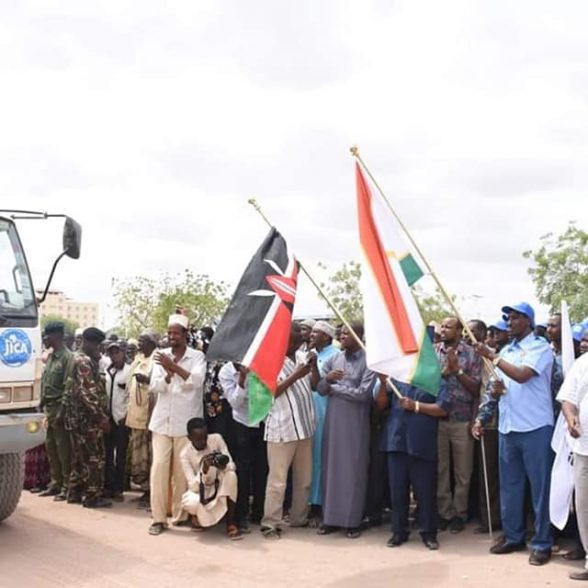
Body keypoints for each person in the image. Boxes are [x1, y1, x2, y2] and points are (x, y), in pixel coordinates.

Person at [475, 302, 554, 566]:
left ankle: (542, 542)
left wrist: (493, 357)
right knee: (510, 487)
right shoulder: (507, 350)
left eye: (516, 318)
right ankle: (513, 536)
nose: (509, 323)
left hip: (535, 428)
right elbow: (501, 385)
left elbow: (522, 376)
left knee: (540, 490)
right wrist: (494, 394)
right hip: (508, 427)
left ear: (529, 321)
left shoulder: (539, 348)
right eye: (507, 319)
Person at [312, 323, 376, 539]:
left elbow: (363, 393)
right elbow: (319, 388)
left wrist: (333, 387)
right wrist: (327, 380)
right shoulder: (335, 358)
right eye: (341, 333)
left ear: (359, 336)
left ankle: (352, 521)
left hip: (355, 421)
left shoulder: (369, 359)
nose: (342, 336)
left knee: (353, 468)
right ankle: (330, 519)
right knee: (331, 466)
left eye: (347, 333)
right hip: (333, 419)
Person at [148, 314, 207, 536]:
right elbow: (153, 387)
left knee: (182, 472)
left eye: (175, 333)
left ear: (185, 335)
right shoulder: (160, 356)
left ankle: (181, 515)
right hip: (162, 422)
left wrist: (173, 367)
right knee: (159, 469)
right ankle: (158, 518)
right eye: (169, 333)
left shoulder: (197, 356)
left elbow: (197, 381)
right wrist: (167, 376)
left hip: (186, 424)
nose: (171, 336)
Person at [377, 376, 451, 550]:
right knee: (397, 490)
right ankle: (399, 531)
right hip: (397, 440)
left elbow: (443, 408)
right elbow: (381, 405)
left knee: (425, 491)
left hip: (422, 441)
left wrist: (417, 406)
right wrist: (381, 384)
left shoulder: (434, 378)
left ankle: (429, 533)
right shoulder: (396, 378)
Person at [261, 322, 316, 539]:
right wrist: (296, 375)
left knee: (304, 479)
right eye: (291, 339)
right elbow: (270, 393)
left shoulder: (301, 357)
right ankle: (270, 523)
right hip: (281, 429)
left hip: (304, 427)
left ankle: (298, 518)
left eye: (298, 340)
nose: (294, 344)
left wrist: (315, 367)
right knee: (277, 481)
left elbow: (313, 384)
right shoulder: (269, 360)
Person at [434, 317, 482, 533]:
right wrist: (444, 372)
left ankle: (459, 514)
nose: (443, 330)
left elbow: (475, 389)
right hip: (437, 420)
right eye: (442, 327)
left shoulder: (471, 354)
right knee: (440, 470)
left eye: (448, 327)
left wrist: (457, 371)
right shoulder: (432, 352)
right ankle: (444, 513)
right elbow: (425, 384)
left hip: (462, 420)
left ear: (460, 331)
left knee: (463, 472)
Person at [63, 327, 112, 508]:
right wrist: (101, 418)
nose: (100, 350)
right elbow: (88, 393)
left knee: (78, 456)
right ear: (90, 343)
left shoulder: (75, 358)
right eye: (98, 346)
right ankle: (92, 496)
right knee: (94, 457)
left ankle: (74, 492)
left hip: (76, 418)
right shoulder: (83, 361)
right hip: (87, 419)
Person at [219, 361, 268, 532]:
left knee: (262, 469)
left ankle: (259, 513)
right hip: (241, 423)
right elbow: (235, 402)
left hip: (262, 419)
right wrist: (242, 378)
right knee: (242, 470)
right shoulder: (225, 371)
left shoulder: (259, 362)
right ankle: (241, 515)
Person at [472, 319, 508, 534]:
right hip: (490, 423)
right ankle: (490, 522)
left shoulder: (506, 358)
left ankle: (512, 522)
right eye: (492, 333)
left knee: (509, 478)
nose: (494, 337)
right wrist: (480, 419)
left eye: (498, 332)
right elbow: (485, 392)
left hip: (511, 423)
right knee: (489, 477)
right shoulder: (484, 359)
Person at [180, 418, 241, 540]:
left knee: (231, 476)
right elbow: (193, 486)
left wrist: (222, 465)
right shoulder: (185, 454)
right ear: (189, 438)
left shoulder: (216, 439)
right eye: (198, 439)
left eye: (205, 437)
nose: (203, 442)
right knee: (191, 502)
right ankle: (198, 517)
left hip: (218, 486)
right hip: (201, 491)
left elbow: (232, 466)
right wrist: (204, 470)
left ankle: (230, 522)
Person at [558, 350, 588, 580]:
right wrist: (571, 418)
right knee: (584, 507)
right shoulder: (583, 363)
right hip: (584, 449)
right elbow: (568, 399)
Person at [307, 321, 339, 525]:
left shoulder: (335, 355)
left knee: (321, 457)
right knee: (310, 458)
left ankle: (319, 504)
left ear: (326, 336)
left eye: (316, 332)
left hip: (325, 410)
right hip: (309, 410)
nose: (311, 335)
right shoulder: (308, 353)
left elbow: (323, 385)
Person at [39, 321, 74, 501]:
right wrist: (41, 403)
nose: (44, 338)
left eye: (47, 335)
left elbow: (68, 386)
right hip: (49, 409)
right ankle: (55, 483)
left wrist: (62, 410)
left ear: (57, 337)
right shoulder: (51, 357)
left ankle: (67, 486)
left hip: (60, 409)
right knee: (51, 449)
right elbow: (46, 382)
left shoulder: (68, 357)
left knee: (63, 450)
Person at [126, 329, 158, 507]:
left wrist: (147, 380)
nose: (139, 344)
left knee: (149, 457)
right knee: (137, 457)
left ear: (152, 343)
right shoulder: (138, 360)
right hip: (135, 417)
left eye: (143, 341)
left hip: (148, 418)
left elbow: (158, 386)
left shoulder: (156, 360)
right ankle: (144, 489)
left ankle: (150, 492)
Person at [104, 341, 131, 501]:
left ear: (123, 352)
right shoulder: (107, 370)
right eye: (111, 353)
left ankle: (119, 488)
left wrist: (126, 415)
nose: (114, 356)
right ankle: (108, 485)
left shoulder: (128, 371)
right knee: (107, 454)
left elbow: (131, 396)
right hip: (107, 418)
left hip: (121, 418)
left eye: (117, 352)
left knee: (120, 455)